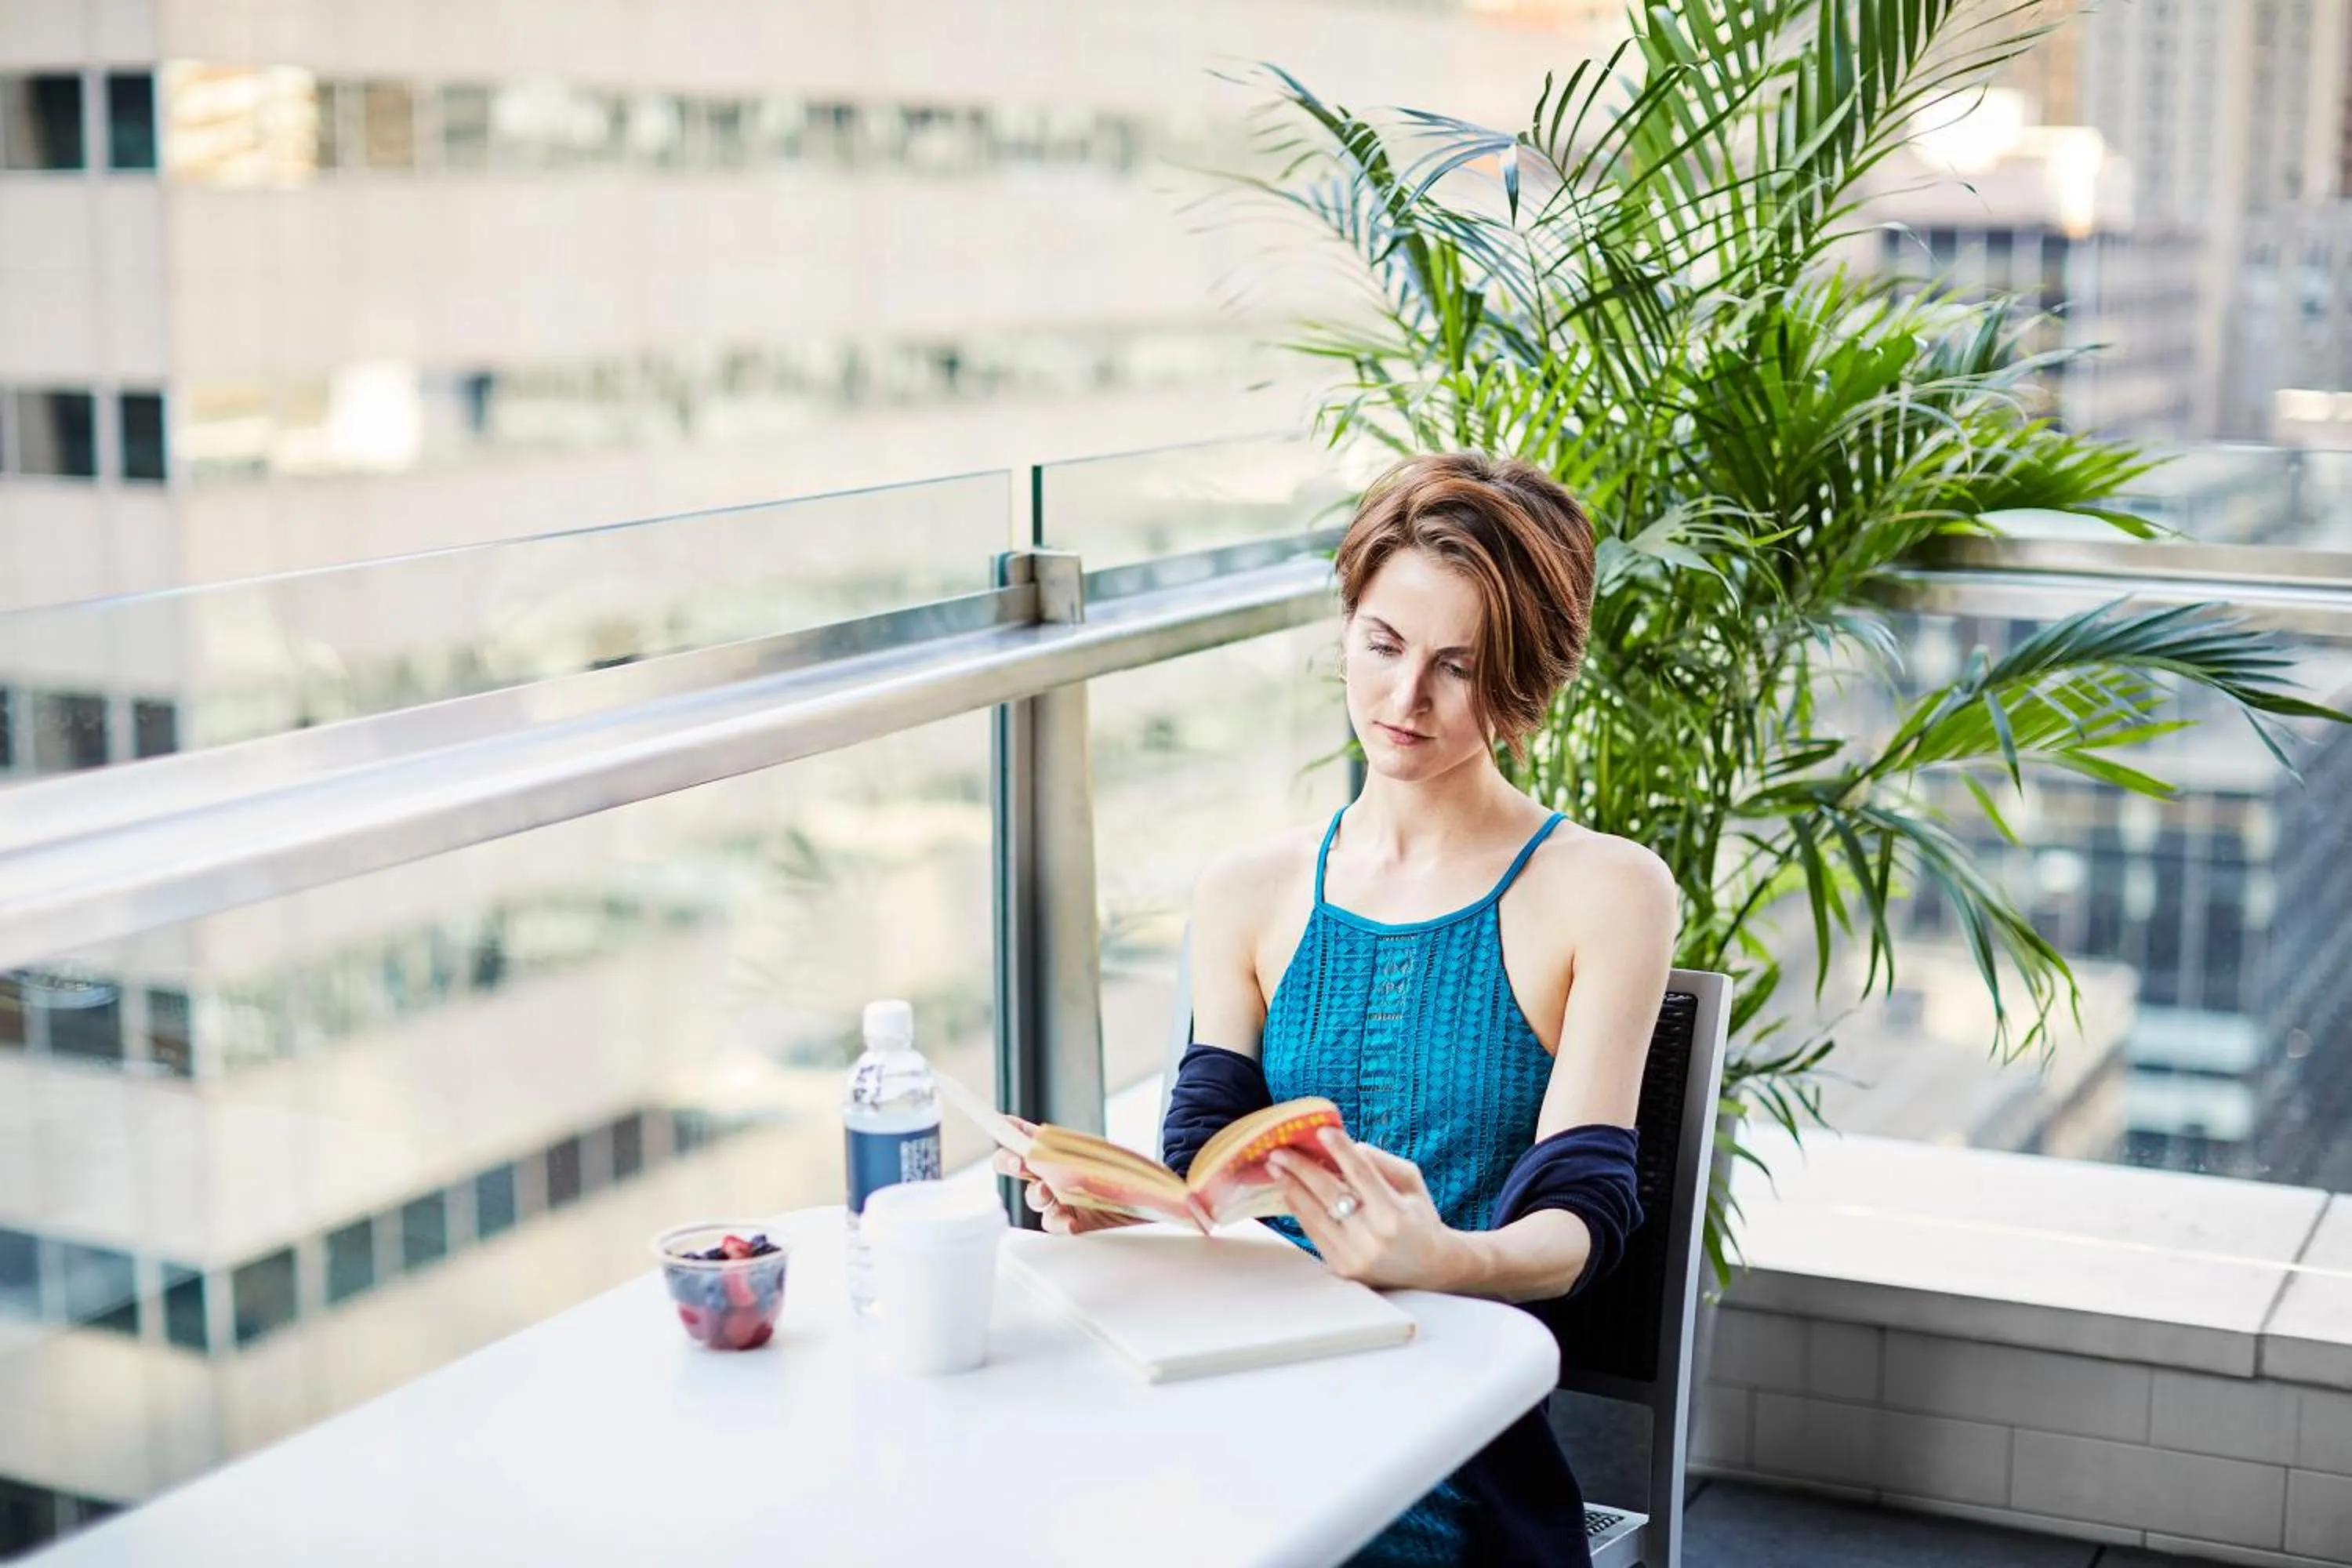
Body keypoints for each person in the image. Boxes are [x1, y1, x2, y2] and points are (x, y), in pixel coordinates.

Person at [996, 451, 1679, 1566]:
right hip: (1227, 1397)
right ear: (1346, 626)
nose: (1406, 701)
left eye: (1458, 667)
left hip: (1447, 1446)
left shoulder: (1607, 891)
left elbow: (1582, 1220)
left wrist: (1442, 1254)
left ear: (1526, 683)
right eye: (1383, 645)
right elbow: (1209, 1176)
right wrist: (1130, 1212)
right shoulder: (1247, 890)